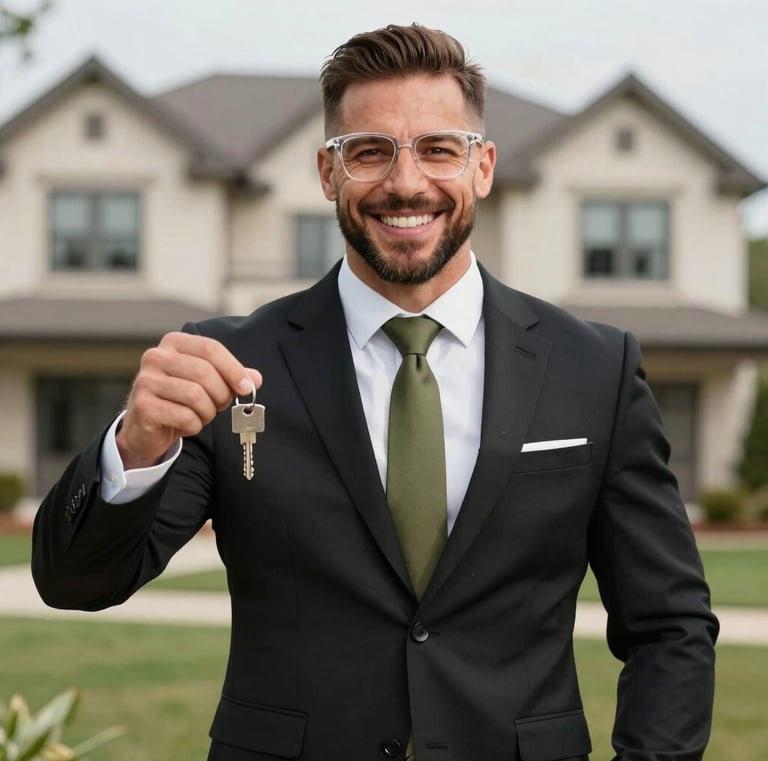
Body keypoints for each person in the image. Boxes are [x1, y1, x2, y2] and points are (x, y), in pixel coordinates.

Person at [32, 23, 718, 761]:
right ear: (328, 175)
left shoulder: (595, 368)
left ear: (482, 165)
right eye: (369, 151)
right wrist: (134, 448)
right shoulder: (229, 366)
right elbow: (78, 584)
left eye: (438, 148)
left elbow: (669, 625)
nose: (406, 182)